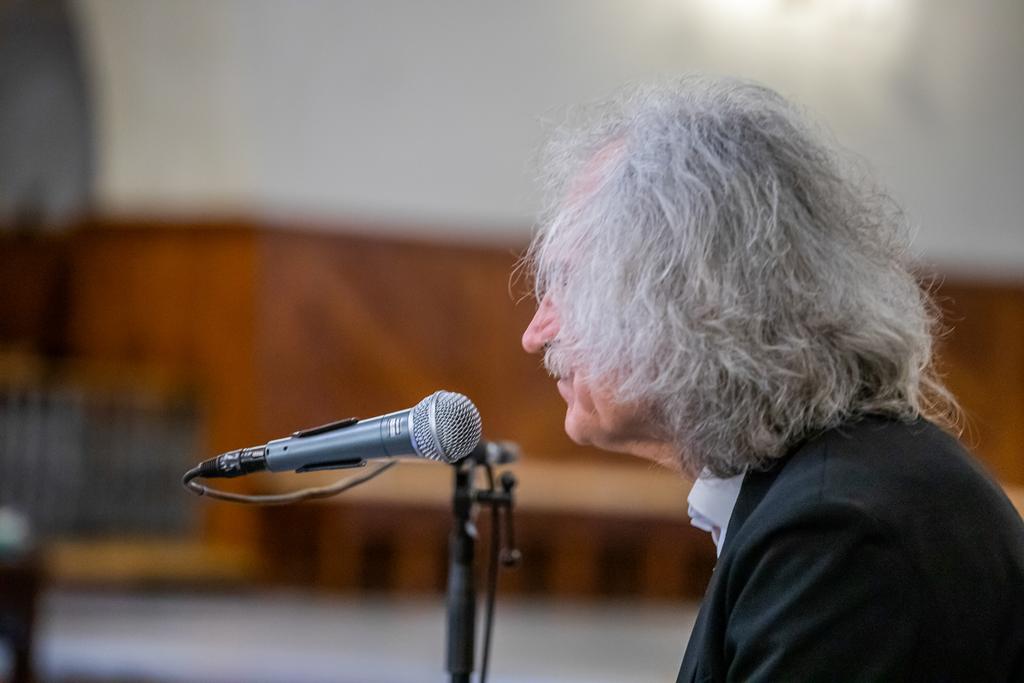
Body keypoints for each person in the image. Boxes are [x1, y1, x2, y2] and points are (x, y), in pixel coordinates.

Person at [520, 76, 1024, 681]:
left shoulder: (839, 532)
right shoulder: (837, 487)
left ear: (690, 301)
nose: (536, 332)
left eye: (569, 284)